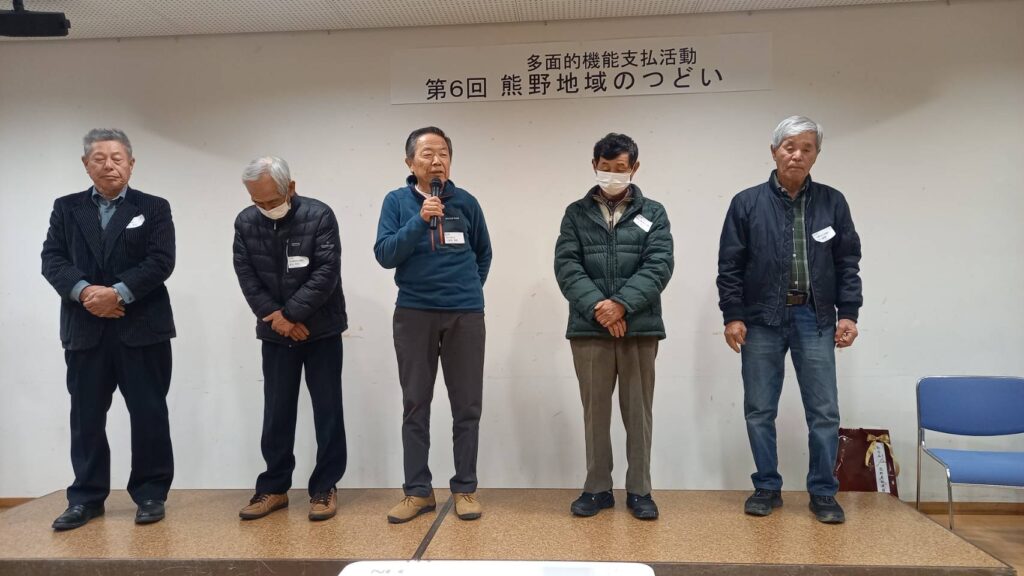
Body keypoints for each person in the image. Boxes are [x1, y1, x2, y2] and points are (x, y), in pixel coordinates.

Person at [716, 115, 862, 524]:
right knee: (759, 409)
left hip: (816, 317)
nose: (797, 155)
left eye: (807, 148)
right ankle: (767, 486)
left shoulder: (833, 202)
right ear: (774, 151)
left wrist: (849, 313)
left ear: (816, 155)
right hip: (761, 319)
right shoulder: (746, 203)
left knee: (824, 412)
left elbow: (848, 262)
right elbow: (730, 266)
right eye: (789, 147)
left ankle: (823, 492)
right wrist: (733, 315)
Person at [42, 128, 176, 530]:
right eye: (99, 158)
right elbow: (52, 259)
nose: (109, 165)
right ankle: (85, 498)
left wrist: (117, 293)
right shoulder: (66, 208)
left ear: (131, 164)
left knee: (149, 414)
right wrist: (86, 293)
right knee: (85, 418)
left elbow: (161, 260)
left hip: (143, 329)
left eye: (117, 158)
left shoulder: (153, 207)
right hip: (85, 330)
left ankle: (150, 493)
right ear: (86, 165)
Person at [374, 127, 492, 523]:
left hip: (465, 315)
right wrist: (419, 221)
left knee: (467, 406)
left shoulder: (467, 202)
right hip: (414, 314)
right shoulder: (396, 202)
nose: (436, 161)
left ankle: (465, 488)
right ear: (410, 162)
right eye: (427, 154)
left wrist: (466, 289)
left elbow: (483, 254)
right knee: (415, 404)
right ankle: (418, 492)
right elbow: (385, 254)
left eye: (443, 153)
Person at [555, 133, 674, 520]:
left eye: (619, 168)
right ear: (594, 165)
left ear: (634, 168)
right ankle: (597, 488)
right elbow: (567, 266)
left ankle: (640, 489)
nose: (611, 175)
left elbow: (659, 265)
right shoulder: (576, 213)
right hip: (589, 329)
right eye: (605, 168)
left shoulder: (653, 212)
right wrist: (599, 308)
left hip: (639, 328)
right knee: (595, 413)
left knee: (639, 412)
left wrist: (621, 305)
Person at [233, 156, 348, 522]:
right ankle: (274, 487)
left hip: (320, 330)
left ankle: (324, 487)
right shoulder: (245, 222)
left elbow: (326, 272)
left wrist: (292, 315)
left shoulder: (319, 215)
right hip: (275, 333)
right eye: (258, 201)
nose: (266, 208)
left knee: (327, 410)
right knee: (277, 411)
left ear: (291, 188)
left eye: (272, 200)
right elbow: (246, 274)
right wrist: (277, 318)